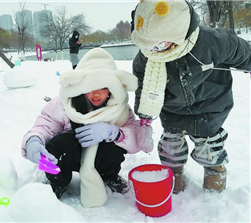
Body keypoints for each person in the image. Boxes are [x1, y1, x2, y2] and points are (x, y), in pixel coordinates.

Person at [130, 0, 251, 194]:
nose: (153, 49)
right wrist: (144, 116)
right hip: (172, 109)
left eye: (158, 43)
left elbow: (241, 51)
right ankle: (174, 179)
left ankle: (214, 182)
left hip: (211, 106)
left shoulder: (212, 41)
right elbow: (142, 85)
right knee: (171, 150)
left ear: (176, 31)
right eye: (148, 44)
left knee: (210, 150)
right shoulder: (147, 56)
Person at [21, 48, 153, 207]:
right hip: (71, 154)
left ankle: (108, 176)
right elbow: (45, 125)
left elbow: (135, 141)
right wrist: (33, 141)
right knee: (57, 145)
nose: (96, 94)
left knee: (114, 148)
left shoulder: (120, 109)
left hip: (101, 157)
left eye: (103, 88)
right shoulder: (65, 103)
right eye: (91, 87)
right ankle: (58, 181)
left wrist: (114, 133)